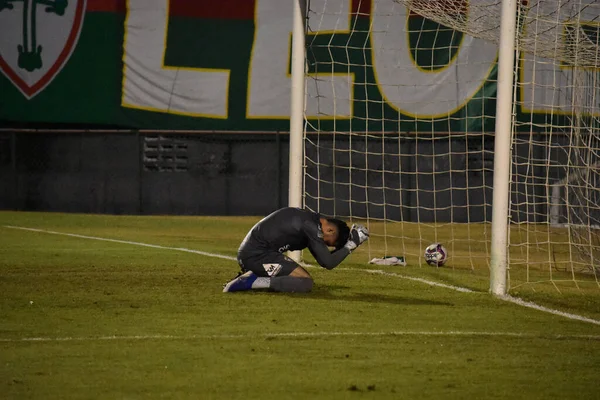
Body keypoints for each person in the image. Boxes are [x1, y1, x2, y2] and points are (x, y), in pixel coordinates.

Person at [223, 207, 369, 293]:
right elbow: (329, 262)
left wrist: (346, 246)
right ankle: (250, 282)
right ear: (330, 230)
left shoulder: (310, 222)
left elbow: (324, 261)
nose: (324, 244)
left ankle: (251, 275)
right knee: (305, 282)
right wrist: (352, 244)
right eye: (327, 242)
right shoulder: (311, 227)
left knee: (300, 280)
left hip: (254, 255)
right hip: (257, 256)